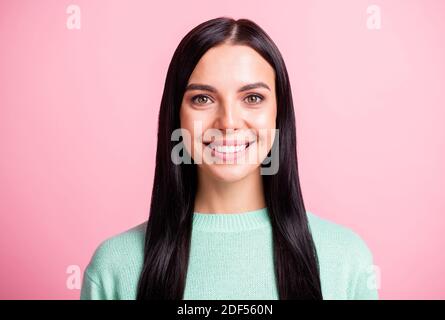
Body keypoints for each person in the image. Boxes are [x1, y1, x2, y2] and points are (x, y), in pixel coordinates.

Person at [80, 16, 379, 300]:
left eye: (252, 98)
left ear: (279, 114)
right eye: (203, 99)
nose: (228, 122)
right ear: (177, 117)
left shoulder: (347, 261)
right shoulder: (114, 267)